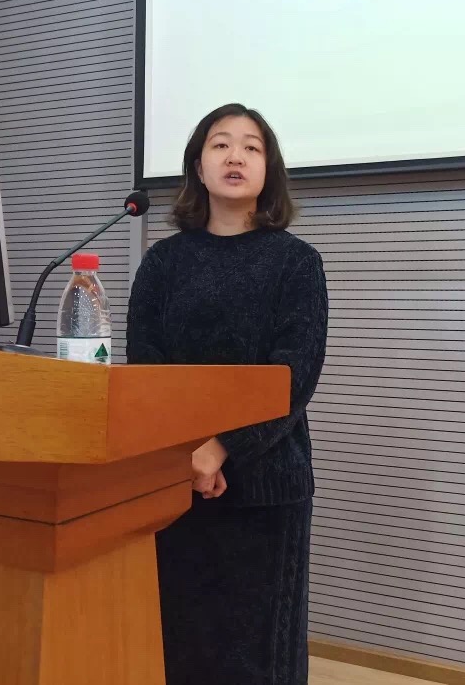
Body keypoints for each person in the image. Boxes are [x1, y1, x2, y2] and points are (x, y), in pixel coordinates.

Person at [126, 103, 329, 685]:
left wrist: (221, 449)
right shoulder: (164, 262)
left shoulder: (296, 262)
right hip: (177, 480)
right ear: (198, 165)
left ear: (269, 170)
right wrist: (187, 453)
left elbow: (295, 374)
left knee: (259, 658)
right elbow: (147, 364)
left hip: (265, 487)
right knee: (180, 644)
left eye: (251, 147)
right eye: (220, 144)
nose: (235, 156)